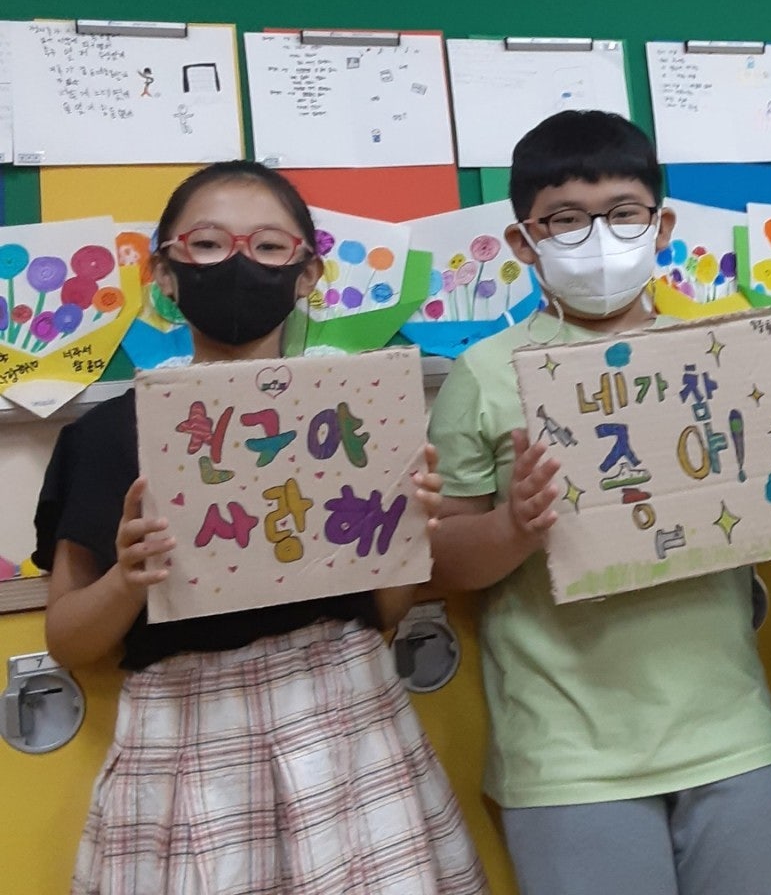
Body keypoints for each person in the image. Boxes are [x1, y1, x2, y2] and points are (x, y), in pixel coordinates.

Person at [34, 160, 486, 895]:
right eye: (208, 244)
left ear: (307, 275)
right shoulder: (108, 437)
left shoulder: (354, 418)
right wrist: (128, 580)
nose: (239, 264)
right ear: (165, 272)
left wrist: (408, 532)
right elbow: (68, 641)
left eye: (270, 246)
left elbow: (381, 616)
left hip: (351, 726)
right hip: (186, 745)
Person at [427, 110, 771, 895]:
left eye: (624, 213)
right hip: (568, 756)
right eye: (566, 220)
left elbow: (765, 501)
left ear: (662, 226)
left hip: (731, 735)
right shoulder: (486, 374)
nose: (599, 238)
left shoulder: (720, 356)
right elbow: (443, 560)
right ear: (524, 241)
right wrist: (514, 525)